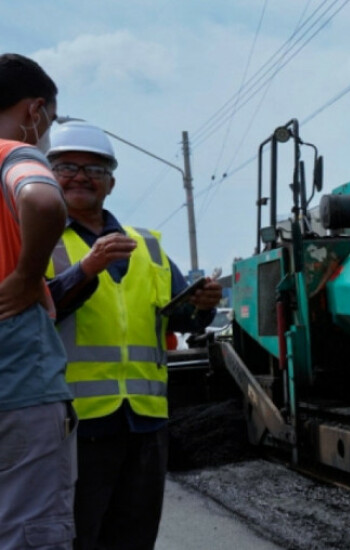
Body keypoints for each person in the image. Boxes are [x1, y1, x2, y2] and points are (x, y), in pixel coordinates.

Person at [44, 120, 223, 550]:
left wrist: (203, 306)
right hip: (71, 425)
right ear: (47, 175)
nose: (82, 176)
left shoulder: (148, 246)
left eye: (96, 170)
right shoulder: (36, 240)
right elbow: (31, 315)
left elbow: (178, 320)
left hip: (145, 422)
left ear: (111, 183)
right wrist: (86, 269)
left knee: (134, 537)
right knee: (74, 536)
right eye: (68, 166)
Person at [0, 52, 77, 550]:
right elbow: (44, 201)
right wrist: (29, 275)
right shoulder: (13, 152)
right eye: (51, 117)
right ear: (35, 111)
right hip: (17, 387)